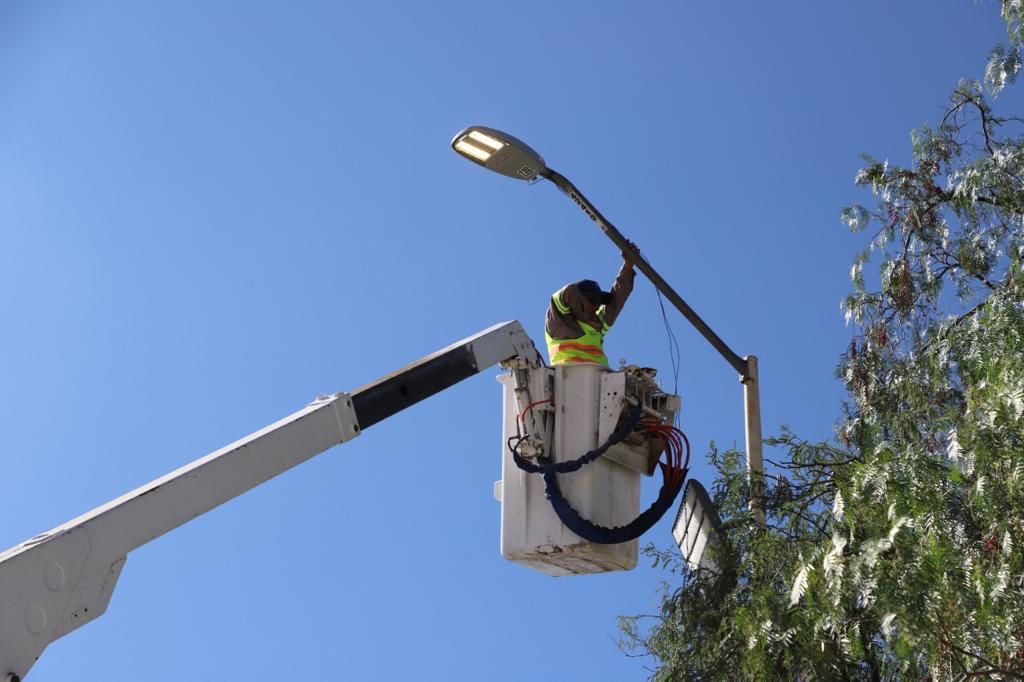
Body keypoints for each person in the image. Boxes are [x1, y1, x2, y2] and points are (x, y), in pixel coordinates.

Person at [544, 243, 637, 367]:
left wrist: (628, 266)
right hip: (568, 379)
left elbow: (617, 299)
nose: (598, 307)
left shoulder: (597, 324)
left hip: (598, 382)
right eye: (594, 303)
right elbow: (566, 293)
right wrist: (585, 307)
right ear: (581, 303)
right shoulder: (559, 323)